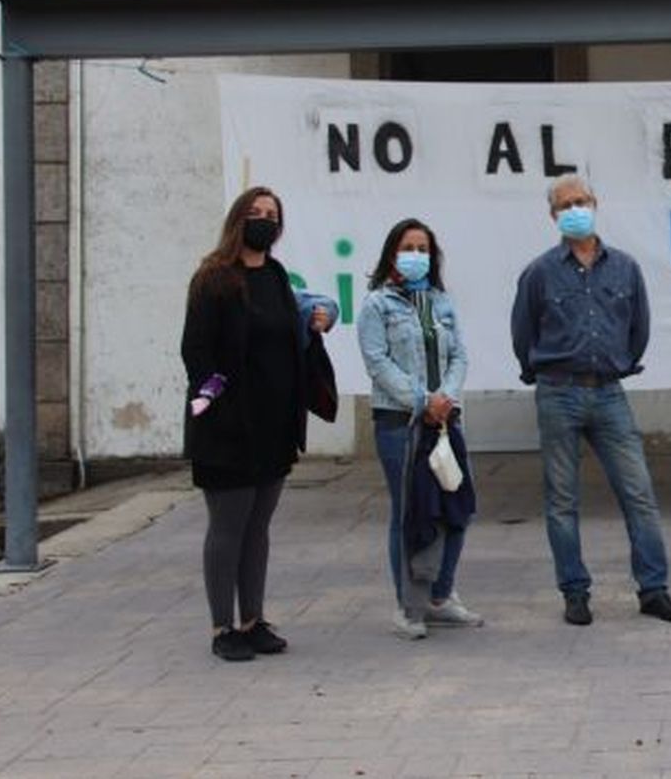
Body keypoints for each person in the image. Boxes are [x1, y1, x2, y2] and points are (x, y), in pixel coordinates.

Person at [510, 175, 671, 627]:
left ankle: (654, 589)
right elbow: (523, 333)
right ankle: (574, 591)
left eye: (581, 200)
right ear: (553, 216)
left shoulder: (625, 268)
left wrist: (621, 363)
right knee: (562, 500)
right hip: (558, 392)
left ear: (595, 203)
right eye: (565, 204)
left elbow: (639, 327)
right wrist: (542, 372)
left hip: (609, 392)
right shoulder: (538, 272)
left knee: (639, 493)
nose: (575, 209)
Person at [182, 186, 337, 661]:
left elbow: (307, 321)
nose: (264, 221)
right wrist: (217, 403)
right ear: (237, 220)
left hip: (273, 425)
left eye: (272, 215)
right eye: (255, 213)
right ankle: (221, 627)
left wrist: (320, 319)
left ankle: (253, 619)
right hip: (227, 427)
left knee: (258, 528)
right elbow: (197, 352)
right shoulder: (213, 278)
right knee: (227, 526)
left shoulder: (274, 276)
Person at [357, 218, 483, 639]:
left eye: (424, 249)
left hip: (445, 420)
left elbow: (459, 356)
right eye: (408, 247)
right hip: (400, 423)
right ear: (393, 254)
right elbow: (377, 361)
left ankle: (440, 596)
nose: (416, 255)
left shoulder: (440, 303)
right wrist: (421, 400)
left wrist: (444, 397)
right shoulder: (377, 304)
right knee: (410, 511)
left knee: (456, 507)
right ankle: (408, 607)